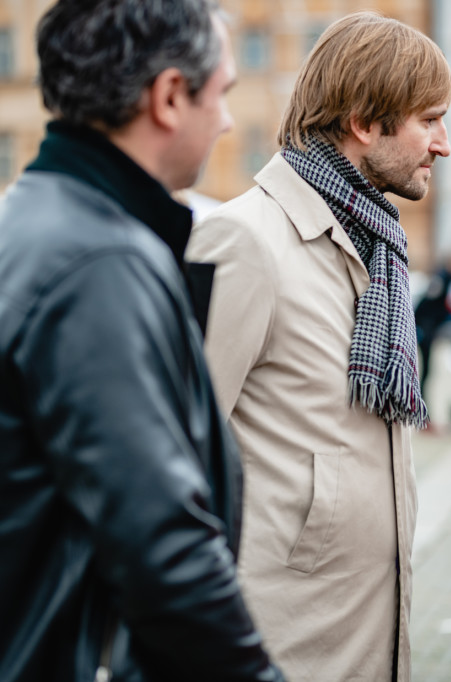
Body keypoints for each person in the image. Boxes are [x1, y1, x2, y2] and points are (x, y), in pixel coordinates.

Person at [0, 1, 284, 680]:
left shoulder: (30, 219)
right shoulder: (101, 264)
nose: (223, 122)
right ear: (167, 97)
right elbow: (162, 547)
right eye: (221, 94)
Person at [185, 11, 451, 681]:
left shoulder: (377, 244)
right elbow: (172, 453)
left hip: (360, 638)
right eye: (430, 119)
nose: (443, 144)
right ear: (366, 121)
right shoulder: (244, 240)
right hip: (279, 645)